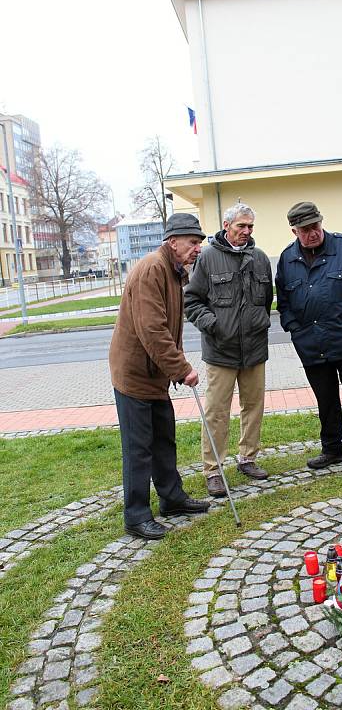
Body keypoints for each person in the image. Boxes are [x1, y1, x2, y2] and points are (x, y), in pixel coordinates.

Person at [109, 213, 210, 540]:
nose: (197, 249)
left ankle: (172, 499)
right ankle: (136, 515)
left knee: (163, 439)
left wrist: (173, 368)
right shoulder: (153, 268)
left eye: (199, 243)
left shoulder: (175, 271)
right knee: (139, 448)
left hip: (155, 375)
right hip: (135, 375)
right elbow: (152, 330)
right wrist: (181, 369)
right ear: (173, 241)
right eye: (193, 243)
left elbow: (168, 328)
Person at [276, 201, 342, 468]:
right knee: (326, 401)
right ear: (295, 232)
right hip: (312, 345)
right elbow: (284, 302)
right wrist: (295, 329)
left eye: (316, 226)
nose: (312, 233)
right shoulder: (287, 259)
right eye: (305, 229)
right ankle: (332, 448)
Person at [184, 203, 273, 497]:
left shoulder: (260, 259)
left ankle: (248, 458)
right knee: (217, 412)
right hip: (221, 349)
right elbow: (192, 302)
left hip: (255, 348)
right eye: (241, 227)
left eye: (250, 227)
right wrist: (215, 325)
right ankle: (213, 470)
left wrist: (259, 321)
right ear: (226, 226)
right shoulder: (207, 258)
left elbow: (266, 299)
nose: (246, 232)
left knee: (253, 406)